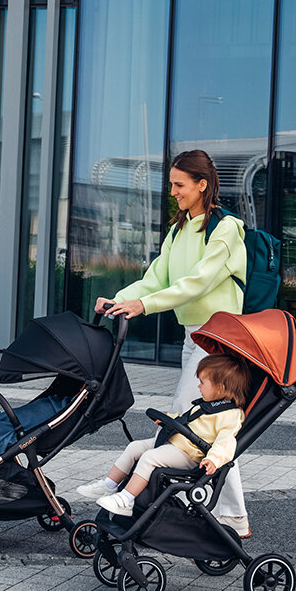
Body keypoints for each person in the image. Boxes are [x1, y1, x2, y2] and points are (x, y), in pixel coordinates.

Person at [94, 150, 252, 537]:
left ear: (202, 184)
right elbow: (156, 279)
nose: (173, 192)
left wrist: (143, 306)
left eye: (179, 185)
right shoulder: (179, 230)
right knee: (202, 428)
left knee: (189, 417)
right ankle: (231, 514)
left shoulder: (226, 229)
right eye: (171, 185)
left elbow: (196, 283)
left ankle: (172, 496)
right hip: (192, 335)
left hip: (219, 340)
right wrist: (120, 299)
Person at [75, 354, 249, 517]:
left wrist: (214, 459)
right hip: (175, 444)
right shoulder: (208, 405)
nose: (198, 386)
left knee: (150, 457)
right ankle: (109, 485)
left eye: (203, 382)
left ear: (221, 387)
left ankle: (126, 500)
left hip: (190, 455)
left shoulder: (230, 415)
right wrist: (169, 420)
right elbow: (189, 421)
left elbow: (226, 441)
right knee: (134, 447)